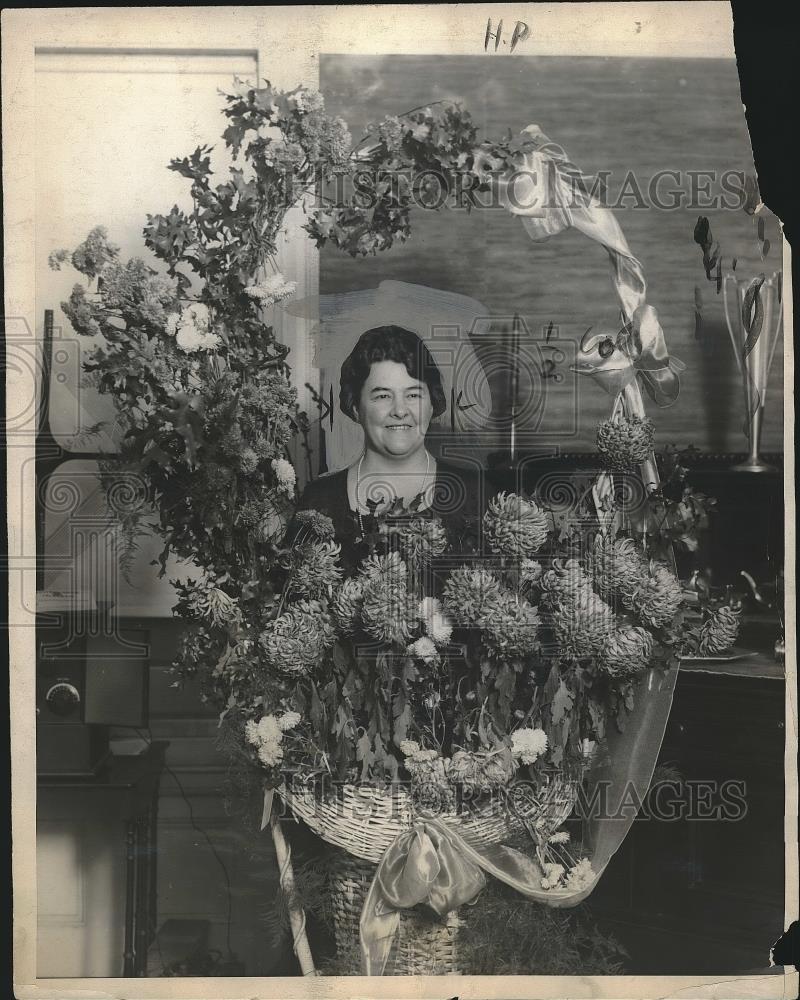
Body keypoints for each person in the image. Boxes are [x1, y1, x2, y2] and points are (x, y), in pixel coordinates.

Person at [289, 325, 485, 573]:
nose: (400, 410)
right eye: (382, 396)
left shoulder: (475, 496)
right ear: (355, 408)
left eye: (413, 395)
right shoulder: (318, 502)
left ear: (432, 404)